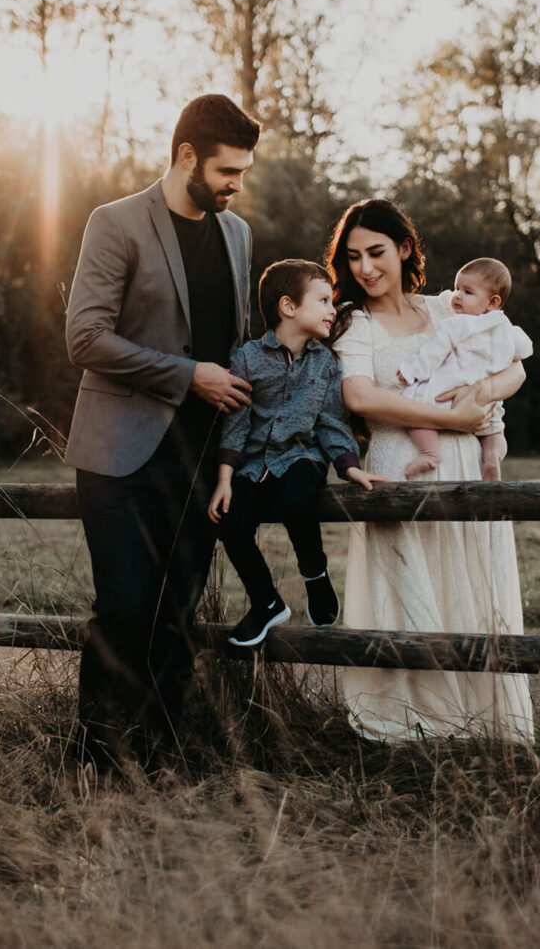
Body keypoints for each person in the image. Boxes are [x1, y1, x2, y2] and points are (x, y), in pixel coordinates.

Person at [63, 93, 258, 773]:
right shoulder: (114, 223)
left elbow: (237, 347)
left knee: (176, 616)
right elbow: (84, 337)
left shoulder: (237, 235)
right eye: (228, 171)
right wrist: (188, 375)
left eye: (243, 172)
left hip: (205, 461)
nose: (237, 185)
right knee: (123, 609)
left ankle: (161, 760)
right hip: (121, 454)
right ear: (186, 156)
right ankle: (94, 762)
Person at [325, 200, 537, 743]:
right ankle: (412, 729)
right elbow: (360, 396)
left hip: (466, 462)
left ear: (403, 249)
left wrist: (479, 399)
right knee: (409, 591)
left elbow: (512, 365)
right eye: (353, 258)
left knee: (470, 586)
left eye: (377, 252)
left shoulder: (448, 307)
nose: (366, 268)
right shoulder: (355, 323)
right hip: (402, 466)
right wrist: (449, 415)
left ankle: (482, 729)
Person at [207, 259, 384, 647]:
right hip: (252, 463)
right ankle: (266, 602)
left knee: (298, 497)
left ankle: (315, 575)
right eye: (322, 300)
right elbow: (236, 423)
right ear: (289, 307)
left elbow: (331, 422)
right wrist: (224, 478)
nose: (331, 310)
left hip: (302, 456)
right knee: (231, 523)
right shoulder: (247, 359)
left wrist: (349, 466)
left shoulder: (325, 363)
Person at [397, 257, 533, 481]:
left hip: (452, 392)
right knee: (495, 430)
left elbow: (434, 352)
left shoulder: (457, 324)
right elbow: (526, 350)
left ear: (493, 302)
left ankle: (430, 453)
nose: (457, 295)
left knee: (414, 413)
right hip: (488, 404)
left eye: (468, 292)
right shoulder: (509, 329)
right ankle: (492, 459)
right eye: (457, 288)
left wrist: (413, 371)